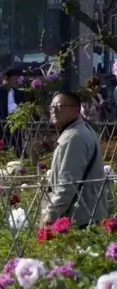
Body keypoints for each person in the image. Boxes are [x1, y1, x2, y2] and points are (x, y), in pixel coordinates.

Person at [40, 91, 108, 228]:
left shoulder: (74, 137)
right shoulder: (81, 130)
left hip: (79, 217)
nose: (53, 111)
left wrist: (51, 214)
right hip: (88, 212)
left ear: (76, 109)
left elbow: (68, 182)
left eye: (59, 106)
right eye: (52, 107)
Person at [0, 69, 25, 154]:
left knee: (18, 150)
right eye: (14, 79)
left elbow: (24, 107)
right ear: (7, 79)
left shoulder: (18, 93)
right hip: (3, 127)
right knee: (3, 151)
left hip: (16, 127)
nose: (15, 81)